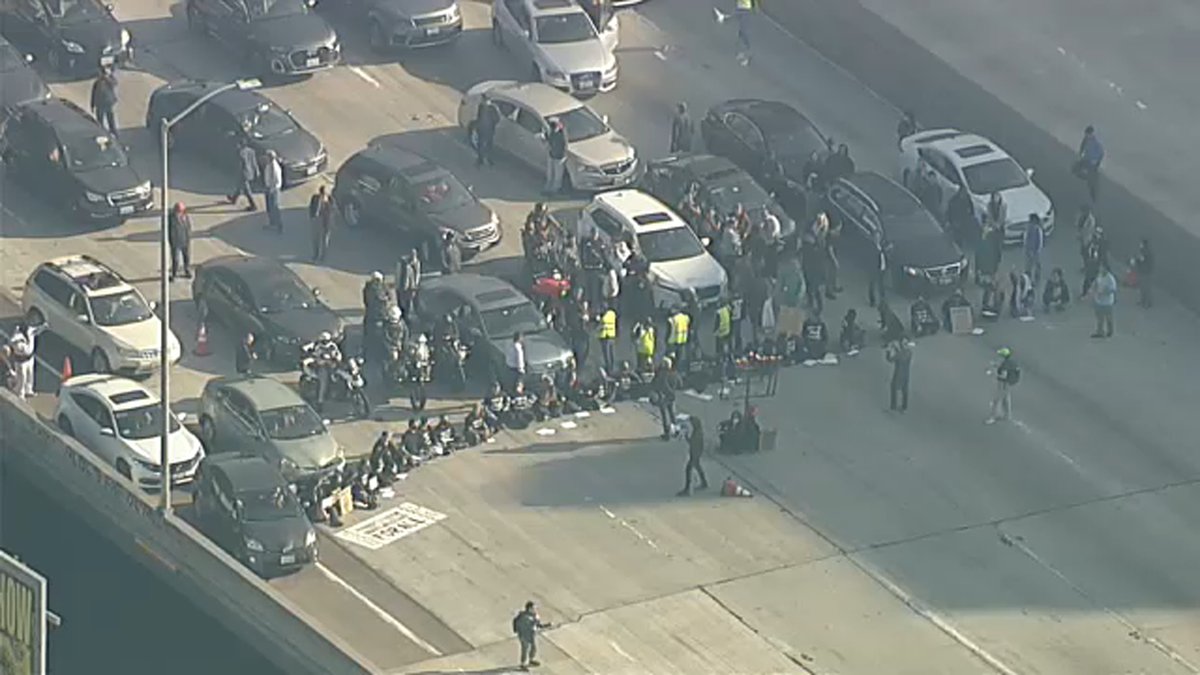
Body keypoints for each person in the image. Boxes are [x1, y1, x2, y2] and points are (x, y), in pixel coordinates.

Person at [8, 321, 45, 399]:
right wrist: (19, 342)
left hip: (30, 358)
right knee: (22, 377)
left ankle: (29, 390)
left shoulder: (30, 331)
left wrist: (43, 327)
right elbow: (12, 341)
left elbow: (37, 331)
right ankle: (20, 393)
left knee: (30, 374)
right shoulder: (17, 336)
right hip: (21, 360)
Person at [986, 347, 1020, 424]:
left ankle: (992, 417)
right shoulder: (1011, 362)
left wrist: (994, 374)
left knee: (996, 400)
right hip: (1010, 384)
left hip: (1004, 384)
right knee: (1006, 398)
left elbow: (1004, 376)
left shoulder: (1005, 365)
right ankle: (1008, 415)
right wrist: (996, 365)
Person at [512, 601, 550, 671]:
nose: (535, 609)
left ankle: (531, 659)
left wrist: (546, 625)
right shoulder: (524, 617)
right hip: (524, 636)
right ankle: (523, 664)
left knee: (533, 648)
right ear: (529, 608)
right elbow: (529, 626)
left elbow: (538, 625)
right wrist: (535, 621)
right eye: (533, 608)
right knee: (525, 649)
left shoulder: (534, 615)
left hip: (531, 635)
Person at [677, 416, 708, 496]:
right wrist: (687, 436)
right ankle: (704, 482)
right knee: (698, 467)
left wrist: (693, 458)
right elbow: (692, 442)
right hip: (695, 454)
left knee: (688, 470)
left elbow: (694, 445)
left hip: (694, 455)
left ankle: (687, 489)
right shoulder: (697, 431)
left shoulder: (697, 433)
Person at [651, 359, 682, 440]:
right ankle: (676, 431)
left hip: (663, 397)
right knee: (673, 414)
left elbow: (655, 384)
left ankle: (667, 434)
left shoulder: (661, 374)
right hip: (672, 396)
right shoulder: (675, 373)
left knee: (665, 416)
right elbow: (680, 384)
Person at [1075, 125, 1104, 202]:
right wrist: (1080, 153)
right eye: (1086, 134)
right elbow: (1082, 146)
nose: (1086, 136)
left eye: (1087, 134)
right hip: (1086, 159)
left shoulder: (1096, 143)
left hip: (1092, 163)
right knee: (1077, 167)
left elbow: (1101, 153)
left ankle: (1093, 194)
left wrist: (1097, 162)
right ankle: (1082, 174)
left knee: (1092, 180)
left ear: (1091, 134)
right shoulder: (1086, 139)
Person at [228, 139, 259, 211]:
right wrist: (257, 171)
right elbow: (254, 162)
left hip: (243, 173)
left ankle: (253, 205)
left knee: (247, 190)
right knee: (240, 186)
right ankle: (234, 199)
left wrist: (236, 171)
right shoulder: (251, 151)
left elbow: (240, 163)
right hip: (250, 172)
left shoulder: (240, 152)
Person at [1090, 263, 1117, 338]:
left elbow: (1113, 289)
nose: (1100, 269)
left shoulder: (1110, 278)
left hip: (1107, 301)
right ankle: (1100, 331)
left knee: (1108, 317)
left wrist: (1104, 292)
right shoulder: (1099, 275)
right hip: (1099, 300)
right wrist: (1093, 291)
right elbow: (1096, 283)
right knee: (1099, 317)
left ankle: (1110, 331)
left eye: (1102, 268)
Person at [309, 185, 335, 262]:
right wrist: (312, 217)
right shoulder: (315, 198)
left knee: (324, 240)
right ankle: (315, 254)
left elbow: (332, 212)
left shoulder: (331, 201)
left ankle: (323, 256)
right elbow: (312, 208)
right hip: (317, 220)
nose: (323, 196)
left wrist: (330, 223)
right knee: (315, 239)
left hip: (326, 222)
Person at [90, 66, 118, 135]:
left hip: (108, 103)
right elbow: (93, 94)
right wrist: (92, 105)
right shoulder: (97, 83)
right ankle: (101, 133)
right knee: (100, 121)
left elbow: (114, 83)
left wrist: (107, 77)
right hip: (100, 104)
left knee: (110, 119)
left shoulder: (109, 80)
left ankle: (114, 132)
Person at [885, 339, 912, 412]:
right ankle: (904, 407)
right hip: (906, 374)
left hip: (898, 374)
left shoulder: (899, 354)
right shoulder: (909, 352)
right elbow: (902, 354)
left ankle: (893, 406)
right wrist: (896, 348)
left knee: (893, 388)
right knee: (905, 390)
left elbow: (890, 360)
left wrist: (888, 350)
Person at [167, 202, 192, 280]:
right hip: (176, 242)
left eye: (181, 210)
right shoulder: (171, 218)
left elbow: (188, 227)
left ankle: (187, 270)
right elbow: (169, 230)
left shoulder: (186, 216)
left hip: (184, 240)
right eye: (178, 211)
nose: (179, 212)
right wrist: (171, 241)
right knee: (176, 260)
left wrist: (188, 238)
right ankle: (174, 274)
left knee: (186, 257)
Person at [475, 95, 500, 167]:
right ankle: (481, 158)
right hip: (484, 128)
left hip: (488, 129)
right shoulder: (481, 107)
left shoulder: (491, 108)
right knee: (482, 143)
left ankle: (486, 158)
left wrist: (492, 124)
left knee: (487, 144)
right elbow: (479, 117)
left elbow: (497, 119)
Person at [262, 149, 284, 233]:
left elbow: (277, 180)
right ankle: (272, 223)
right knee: (270, 207)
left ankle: (279, 225)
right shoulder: (269, 165)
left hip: (273, 190)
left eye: (267, 157)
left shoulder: (274, 167)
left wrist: (272, 189)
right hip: (269, 188)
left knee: (274, 207)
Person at [544, 118, 568, 194]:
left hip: (559, 157)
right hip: (552, 155)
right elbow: (550, 141)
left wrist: (563, 155)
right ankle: (548, 188)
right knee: (550, 173)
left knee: (558, 175)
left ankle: (555, 189)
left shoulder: (561, 133)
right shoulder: (552, 132)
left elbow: (564, 144)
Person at [395, 250, 421, 315]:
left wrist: (416, 284)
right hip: (404, 286)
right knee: (403, 301)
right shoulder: (403, 263)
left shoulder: (416, 263)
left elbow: (417, 274)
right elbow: (399, 274)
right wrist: (398, 285)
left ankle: (409, 313)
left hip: (411, 286)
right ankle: (404, 313)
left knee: (409, 301)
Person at [1023, 214, 1045, 287]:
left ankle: (1035, 279)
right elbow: (1026, 239)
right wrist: (1027, 249)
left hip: (1035, 251)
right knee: (1029, 265)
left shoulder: (1038, 230)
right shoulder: (1029, 229)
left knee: (1035, 265)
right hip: (1029, 251)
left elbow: (1040, 242)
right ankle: (1028, 279)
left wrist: (1037, 251)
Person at [1132, 238, 1154, 308]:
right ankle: (1143, 301)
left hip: (1145, 272)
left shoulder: (1146, 252)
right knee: (1142, 287)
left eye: (1141, 244)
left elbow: (1141, 259)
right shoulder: (1145, 251)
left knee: (1145, 288)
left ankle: (1147, 302)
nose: (1140, 245)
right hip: (1144, 271)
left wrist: (1135, 259)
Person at [597, 303, 618, 373]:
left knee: (606, 354)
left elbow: (602, 322)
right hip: (612, 335)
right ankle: (611, 367)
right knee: (611, 353)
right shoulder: (612, 313)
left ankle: (609, 368)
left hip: (605, 336)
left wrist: (599, 318)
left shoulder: (604, 316)